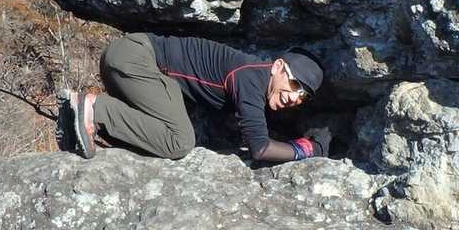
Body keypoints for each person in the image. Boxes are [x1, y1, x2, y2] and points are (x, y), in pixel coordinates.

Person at [58, 32, 326, 163]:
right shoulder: (251, 78)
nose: (294, 97)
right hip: (136, 58)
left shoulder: (255, 80)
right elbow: (261, 148)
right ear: (277, 66)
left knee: (154, 135)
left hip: (128, 58)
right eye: (294, 83)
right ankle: (95, 108)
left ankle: (75, 119)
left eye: (303, 95)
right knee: (179, 141)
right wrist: (306, 150)